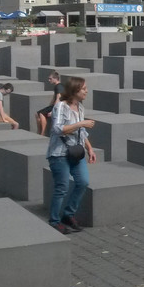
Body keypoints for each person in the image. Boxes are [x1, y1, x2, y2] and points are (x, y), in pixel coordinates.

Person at [47, 76, 97, 234]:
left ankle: (68, 215)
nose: (86, 91)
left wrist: (90, 149)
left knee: (83, 182)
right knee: (62, 187)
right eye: (84, 89)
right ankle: (54, 221)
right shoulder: (61, 106)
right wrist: (81, 123)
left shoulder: (80, 107)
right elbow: (57, 129)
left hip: (76, 152)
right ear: (75, 90)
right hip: (59, 153)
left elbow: (82, 132)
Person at [37, 71, 65, 136]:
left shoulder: (59, 86)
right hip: (55, 105)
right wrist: (49, 106)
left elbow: (58, 98)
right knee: (37, 114)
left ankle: (42, 133)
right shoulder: (57, 86)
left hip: (58, 106)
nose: (49, 80)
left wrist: (53, 111)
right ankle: (39, 131)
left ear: (56, 79)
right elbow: (54, 98)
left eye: (50, 79)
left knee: (41, 114)